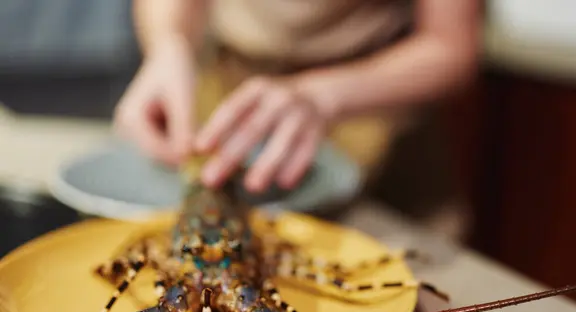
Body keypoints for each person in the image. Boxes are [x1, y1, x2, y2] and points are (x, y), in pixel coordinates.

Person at [114, 0, 480, 201]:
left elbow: (451, 46)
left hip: (372, 103)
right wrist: (168, 45)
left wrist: (321, 96)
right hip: (227, 96)